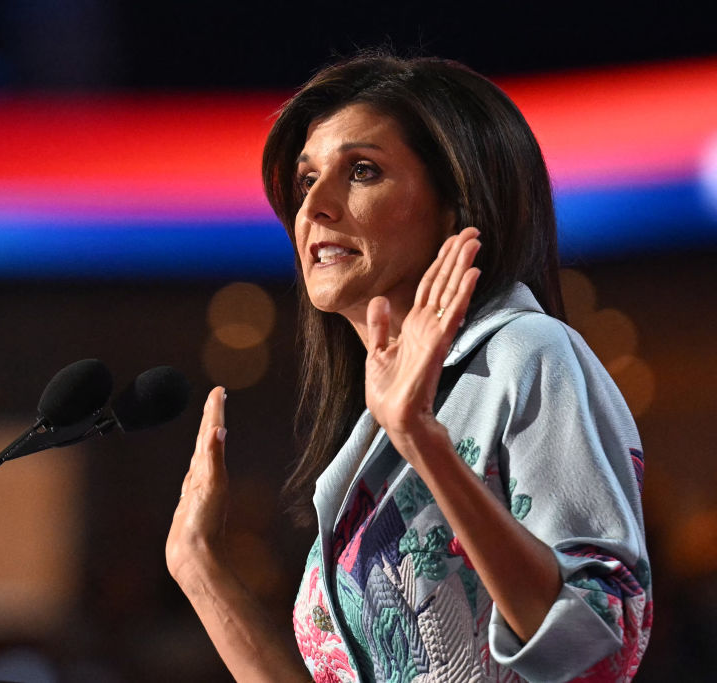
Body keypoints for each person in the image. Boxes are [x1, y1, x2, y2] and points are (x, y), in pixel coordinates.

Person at [165, 51, 652, 682]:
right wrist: (199, 566)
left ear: (456, 205)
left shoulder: (529, 356)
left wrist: (423, 439)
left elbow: (597, 641)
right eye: (308, 181)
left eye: (361, 171)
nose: (314, 208)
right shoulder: (376, 424)